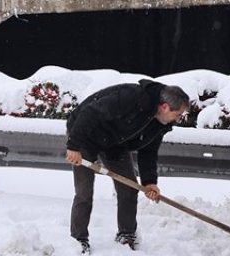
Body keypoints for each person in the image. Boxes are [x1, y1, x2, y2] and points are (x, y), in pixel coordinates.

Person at [64, 79, 190, 253]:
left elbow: (148, 151)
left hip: (115, 143)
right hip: (85, 135)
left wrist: (149, 182)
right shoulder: (132, 97)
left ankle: (126, 234)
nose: (178, 119)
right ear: (165, 107)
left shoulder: (161, 123)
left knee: (129, 188)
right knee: (84, 192)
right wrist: (73, 146)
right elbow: (90, 112)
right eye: (178, 114)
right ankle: (79, 239)